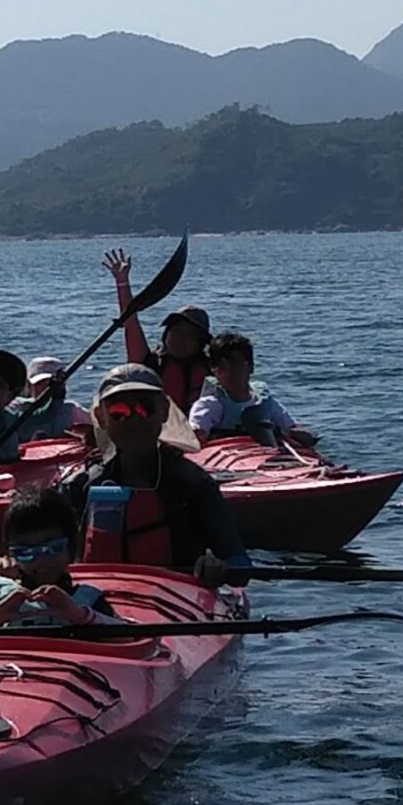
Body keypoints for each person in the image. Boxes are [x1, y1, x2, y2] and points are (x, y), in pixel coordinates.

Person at [53, 364, 250, 585]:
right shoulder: (78, 486)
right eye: (119, 412)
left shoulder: (194, 484)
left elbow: (239, 563)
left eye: (145, 409)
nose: (134, 420)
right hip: (96, 602)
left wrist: (219, 567)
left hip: (176, 600)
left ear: (164, 411)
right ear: (101, 417)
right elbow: (41, 553)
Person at [0, 487, 122, 631]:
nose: (40, 561)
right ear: (12, 555)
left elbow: (131, 636)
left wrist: (79, 616)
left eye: (52, 548)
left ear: (71, 548)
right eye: (25, 553)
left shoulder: (87, 599)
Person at [106, 248, 212, 412]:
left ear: (200, 343)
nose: (180, 339)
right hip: (156, 432)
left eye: (189, 335)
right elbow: (130, 321)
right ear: (166, 333)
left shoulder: (213, 369)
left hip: (199, 431)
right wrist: (122, 282)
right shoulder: (150, 363)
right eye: (176, 331)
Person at [188, 332, 318, 448]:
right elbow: (195, 436)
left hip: (267, 460)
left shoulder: (266, 403)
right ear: (214, 371)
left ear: (250, 367)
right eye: (221, 367)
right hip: (229, 465)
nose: (228, 372)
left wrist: (285, 432)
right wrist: (197, 434)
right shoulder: (210, 405)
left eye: (235, 364)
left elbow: (295, 429)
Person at [26, 356, 93, 435]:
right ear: (28, 386)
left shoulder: (73, 411)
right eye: (39, 383)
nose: (46, 388)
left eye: (52, 384)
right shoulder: (16, 410)